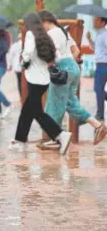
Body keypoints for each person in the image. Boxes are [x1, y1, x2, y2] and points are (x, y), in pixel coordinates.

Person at [38, 10, 107, 146]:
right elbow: (76, 51)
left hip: (62, 69)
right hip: (73, 68)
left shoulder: (50, 34)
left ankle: (57, 138)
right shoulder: (64, 32)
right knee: (70, 103)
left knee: (53, 104)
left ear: (45, 21)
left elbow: (51, 53)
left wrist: (50, 66)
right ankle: (98, 125)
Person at [8, 13, 72, 153]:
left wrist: (24, 62)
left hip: (33, 79)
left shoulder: (31, 34)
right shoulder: (45, 36)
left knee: (35, 111)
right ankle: (20, 140)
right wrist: (46, 63)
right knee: (28, 110)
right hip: (44, 80)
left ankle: (61, 135)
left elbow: (28, 52)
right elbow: (58, 58)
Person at [87, 16, 107, 121]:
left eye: (97, 20)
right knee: (97, 89)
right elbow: (96, 48)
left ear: (103, 23)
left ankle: (100, 114)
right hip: (100, 65)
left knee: (99, 90)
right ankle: (100, 113)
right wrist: (90, 39)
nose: (94, 22)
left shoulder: (105, 35)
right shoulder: (99, 34)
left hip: (104, 65)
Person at [6, 33, 24, 100]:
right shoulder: (28, 44)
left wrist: (9, 65)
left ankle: (21, 97)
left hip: (18, 67)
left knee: (19, 82)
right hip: (27, 68)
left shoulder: (15, 45)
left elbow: (10, 56)